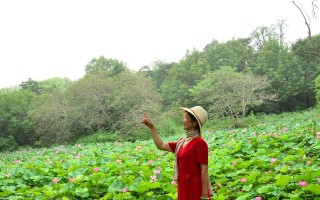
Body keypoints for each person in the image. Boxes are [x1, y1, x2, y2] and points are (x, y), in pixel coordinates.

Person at [141, 106, 211, 200]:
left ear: (194, 123)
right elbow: (160, 145)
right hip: (183, 184)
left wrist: (204, 195)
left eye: (186, 118)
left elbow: (204, 169)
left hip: (194, 186)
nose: (183, 120)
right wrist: (151, 127)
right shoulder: (181, 142)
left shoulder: (200, 143)